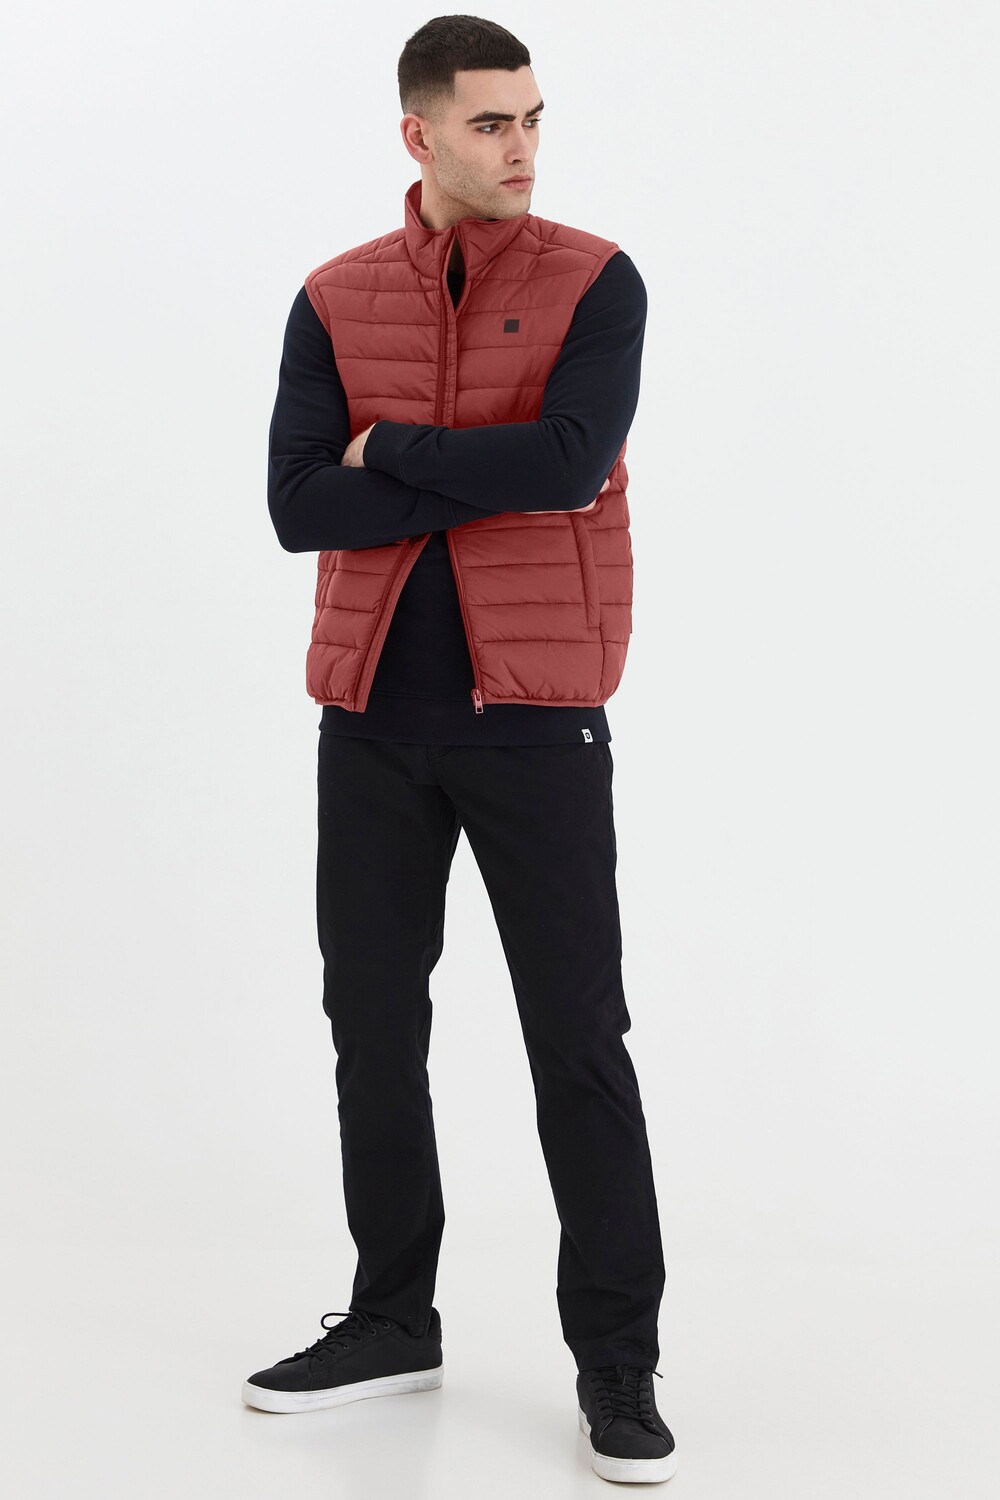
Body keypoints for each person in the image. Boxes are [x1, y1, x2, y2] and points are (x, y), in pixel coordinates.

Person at [242, 14, 677, 1486]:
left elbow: (572, 460)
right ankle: (390, 1318)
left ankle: (617, 1359)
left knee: (577, 1040)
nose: (524, 145)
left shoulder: (596, 281)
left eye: (534, 117)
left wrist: (395, 453)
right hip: (370, 720)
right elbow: (298, 506)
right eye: (493, 122)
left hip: (536, 719)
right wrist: (476, 469)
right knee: (373, 1028)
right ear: (418, 133)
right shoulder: (333, 295)